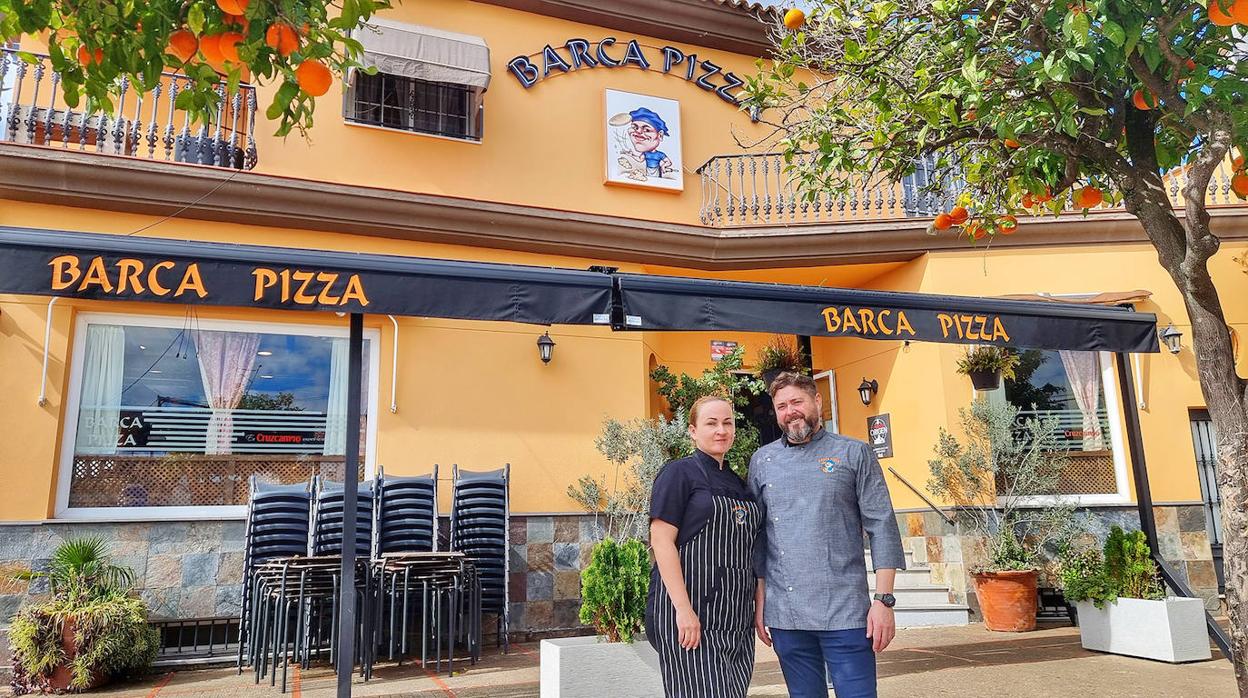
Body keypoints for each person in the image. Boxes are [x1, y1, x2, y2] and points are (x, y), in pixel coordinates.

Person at [749, 372, 906, 698]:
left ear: (817, 401)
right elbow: (759, 537)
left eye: (796, 401)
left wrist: (884, 601)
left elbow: (882, 525)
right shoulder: (762, 461)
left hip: (846, 614)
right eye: (781, 406)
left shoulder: (855, 453)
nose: (790, 411)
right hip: (787, 616)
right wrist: (760, 601)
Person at [646, 395, 761, 698]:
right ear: (693, 431)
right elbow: (661, 542)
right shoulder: (678, 473)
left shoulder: (741, 484)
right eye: (711, 423)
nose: (721, 430)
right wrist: (683, 611)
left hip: (735, 619)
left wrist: (757, 608)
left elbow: (753, 552)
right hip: (692, 616)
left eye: (727, 423)